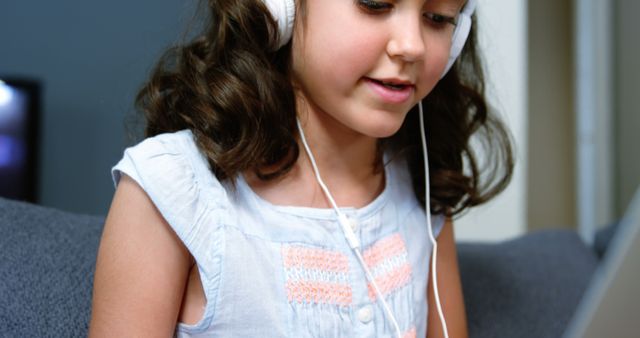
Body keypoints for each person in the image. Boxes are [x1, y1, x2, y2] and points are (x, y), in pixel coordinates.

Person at [89, 0, 513, 337]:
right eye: (375, 4)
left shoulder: (423, 190)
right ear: (281, 8)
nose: (412, 45)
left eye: (438, 18)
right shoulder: (172, 189)